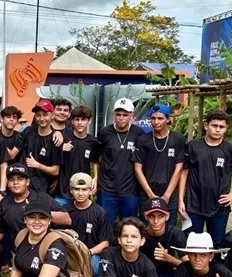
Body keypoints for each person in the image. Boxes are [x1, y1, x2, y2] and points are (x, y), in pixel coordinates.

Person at [178, 109, 232, 246]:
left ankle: (216, 267)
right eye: (214, 126)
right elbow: (184, 173)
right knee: (191, 243)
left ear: (226, 128)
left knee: (217, 244)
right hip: (193, 204)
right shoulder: (192, 146)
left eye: (222, 127)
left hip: (220, 206)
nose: (218, 130)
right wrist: (180, 200)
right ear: (206, 125)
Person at [0, 164, 71, 270]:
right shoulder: (4, 204)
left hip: (43, 252)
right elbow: (0, 230)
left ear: (27, 182)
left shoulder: (41, 197)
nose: (16, 183)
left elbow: (67, 219)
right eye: (11, 180)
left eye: (20, 179)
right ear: (8, 184)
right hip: (20, 252)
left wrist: (38, 211)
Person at [66, 172, 110, 277]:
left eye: (84, 189)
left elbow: (105, 242)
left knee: (95, 268)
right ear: (71, 190)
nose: (80, 193)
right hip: (68, 253)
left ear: (91, 190)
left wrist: (87, 253)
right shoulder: (65, 211)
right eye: (77, 189)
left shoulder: (100, 212)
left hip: (91, 253)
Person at [133, 104, 185, 225]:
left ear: (168, 119)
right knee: (146, 230)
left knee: (168, 230)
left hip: (169, 196)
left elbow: (179, 169)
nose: (156, 122)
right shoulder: (142, 140)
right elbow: (137, 169)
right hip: (147, 194)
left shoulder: (178, 139)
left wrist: (166, 196)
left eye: (160, 118)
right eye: (153, 118)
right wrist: (151, 195)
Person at [96, 98, 144, 229]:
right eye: (118, 114)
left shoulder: (138, 133)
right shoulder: (104, 133)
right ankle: (106, 250)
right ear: (113, 114)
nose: (121, 118)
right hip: (107, 189)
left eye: (125, 115)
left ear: (131, 115)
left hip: (130, 190)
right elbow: (98, 158)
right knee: (105, 225)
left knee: (129, 226)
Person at [54, 106, 100, 206]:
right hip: (63, 192)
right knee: (61, 220)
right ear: (72, 121)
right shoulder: (63, 138)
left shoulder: (93, 141)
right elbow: (52, 159)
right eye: (77, 119)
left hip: (82, 191)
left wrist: (95, 177)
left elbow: (94, 161)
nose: (79, 123)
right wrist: (61, 149)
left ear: (89, 121)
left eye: (83, 119)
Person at [140, 197, 187, 277]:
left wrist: (169, 258)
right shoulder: (140, 234)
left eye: (160, 216)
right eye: (152, 216)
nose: (156, 221)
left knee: (189, 275)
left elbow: (190, 266)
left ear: (167, 216)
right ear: (146, 216)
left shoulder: (175, 233)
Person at [17, 99, 62, 195]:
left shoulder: (56, 139)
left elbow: (55, 171)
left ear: (52, 115)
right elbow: (13, 148)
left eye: (45, 114)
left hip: (44, 190)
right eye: (38, 115)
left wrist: (37, 165)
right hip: (25, 187)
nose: (41, 118)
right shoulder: (28, 131)